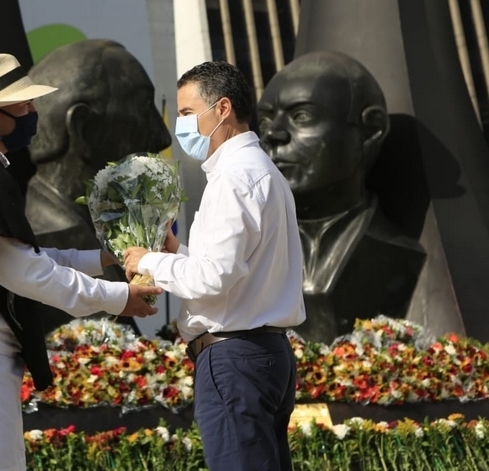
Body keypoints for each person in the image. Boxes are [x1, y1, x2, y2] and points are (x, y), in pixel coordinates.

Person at [0, 53, 163, 471]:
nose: (33, 112)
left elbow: (26, 258)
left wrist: (104, 257)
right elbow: (21, 271)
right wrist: (116, 297)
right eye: (24, 104)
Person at [123, 61, 306, 470]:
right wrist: (177, 256)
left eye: (187, 113)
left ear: (222, 108)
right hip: (264, 350)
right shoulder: (263, 173)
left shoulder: (234, 177)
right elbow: (236, 270)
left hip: (234, 356)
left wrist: (149, 259)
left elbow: (216, 276)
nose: (181, 126)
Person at [255, 51, 426, 343]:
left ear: (370, 130)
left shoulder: (399, 252)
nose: (274, 135)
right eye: (266, 121)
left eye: (301, 116)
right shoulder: (248, 251)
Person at [24, 39, 172, 333]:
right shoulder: (45, 240)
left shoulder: (103, 237)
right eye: (143, 111)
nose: (161, 137)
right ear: (84, 130)